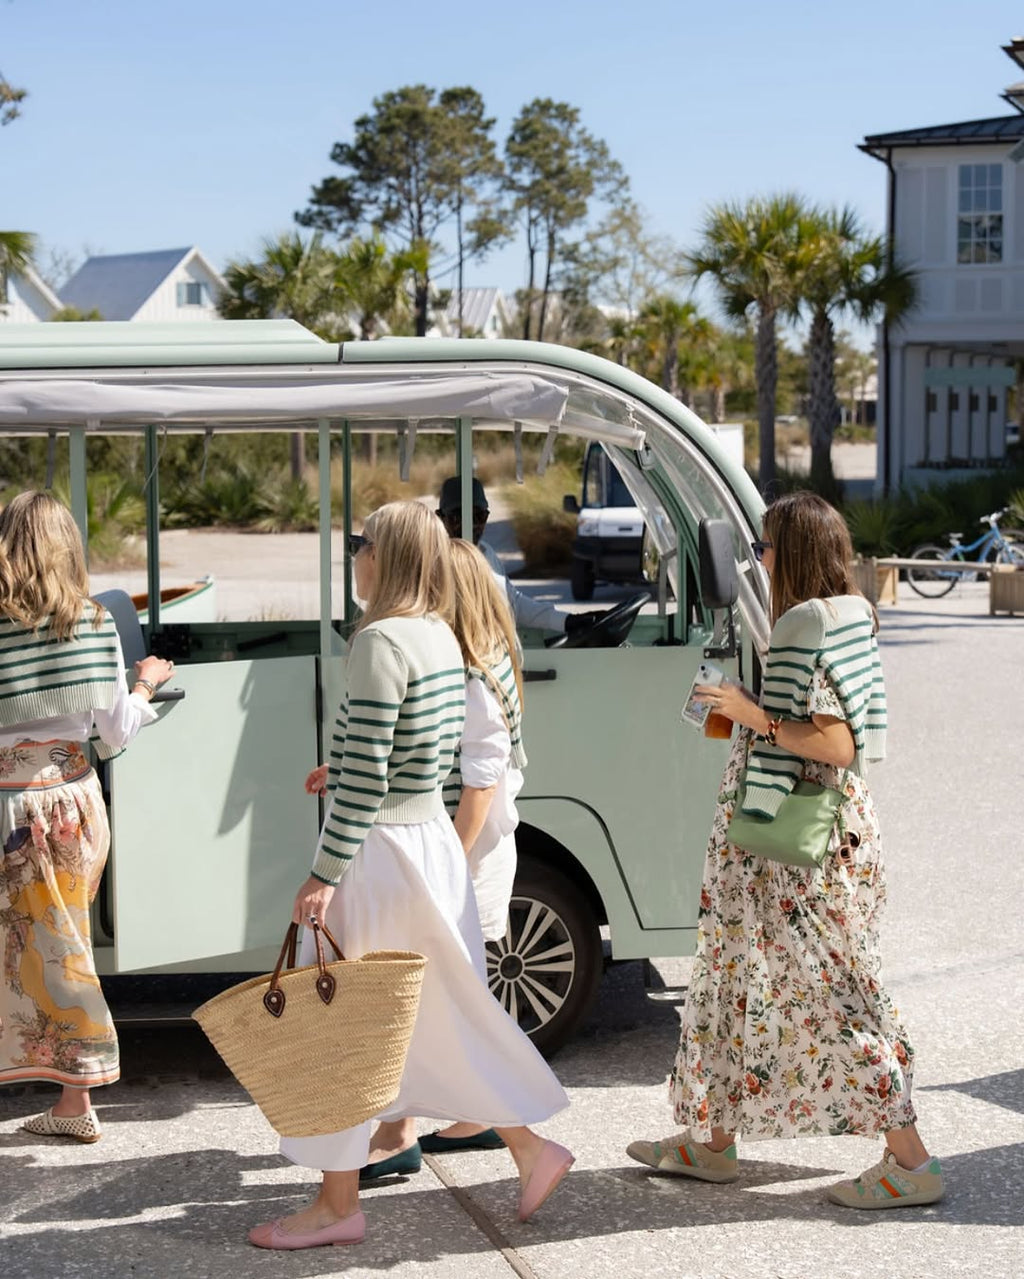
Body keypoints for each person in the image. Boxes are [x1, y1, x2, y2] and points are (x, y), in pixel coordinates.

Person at [249, 500, 572, 1252]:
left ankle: (337, 1205)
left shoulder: (380, 639)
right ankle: (529, 1147)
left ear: (382, 557)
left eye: (361, 543)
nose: (354, 553)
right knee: (437, 1008)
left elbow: (368, 774)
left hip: (380, 849)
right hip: (425, 835)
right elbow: (412, 749)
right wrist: (356, 769)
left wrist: (322, 872)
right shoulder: (437, 634)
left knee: (342, 1026)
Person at [626, 492, 943, 1210]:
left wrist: (751, 713)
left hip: (796, 841)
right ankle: (713, 1139)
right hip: (815, 833)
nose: (758, 561)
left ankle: (911, 1159)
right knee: (732, 973)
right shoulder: (852, 611)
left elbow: (834, 742)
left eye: (766, 548)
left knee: (830, 991)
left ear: (792, 554)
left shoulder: (804, 621)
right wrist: (754, 710)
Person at [0, 491, 173, 1142]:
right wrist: (145, 683)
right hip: (73, 804)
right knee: (67, 947)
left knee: (10, 950)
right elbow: (115, 731)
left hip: (8, 804)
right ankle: (75, 1102)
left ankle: (69, 1100)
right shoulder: (94, 622)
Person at [416, 536, 528, 1156]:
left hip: (474, 851)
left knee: (467, 985)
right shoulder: (490, 659)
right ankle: (474, 1110)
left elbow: (480, 786)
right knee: (465, 984)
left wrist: (448, 863)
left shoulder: (472, 674)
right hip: (481, 847)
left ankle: (490, 1116)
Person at [436, 475, 605, 637]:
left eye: (479, 516)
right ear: (440, 518)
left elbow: (513, 604)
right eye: (459, 516)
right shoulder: (433, 563)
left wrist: (566, 621)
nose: (472, 525)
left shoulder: (487, 554)